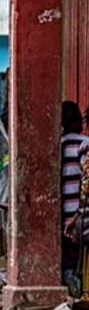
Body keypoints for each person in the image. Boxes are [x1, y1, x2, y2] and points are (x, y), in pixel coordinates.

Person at [60, 102, 87, 287]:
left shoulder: (55, 146)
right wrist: (77, 213)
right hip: (81, 215)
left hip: (62, 216)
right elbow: (86, 184)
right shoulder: (84, 144)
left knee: (67, 259)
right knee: (80, 259)